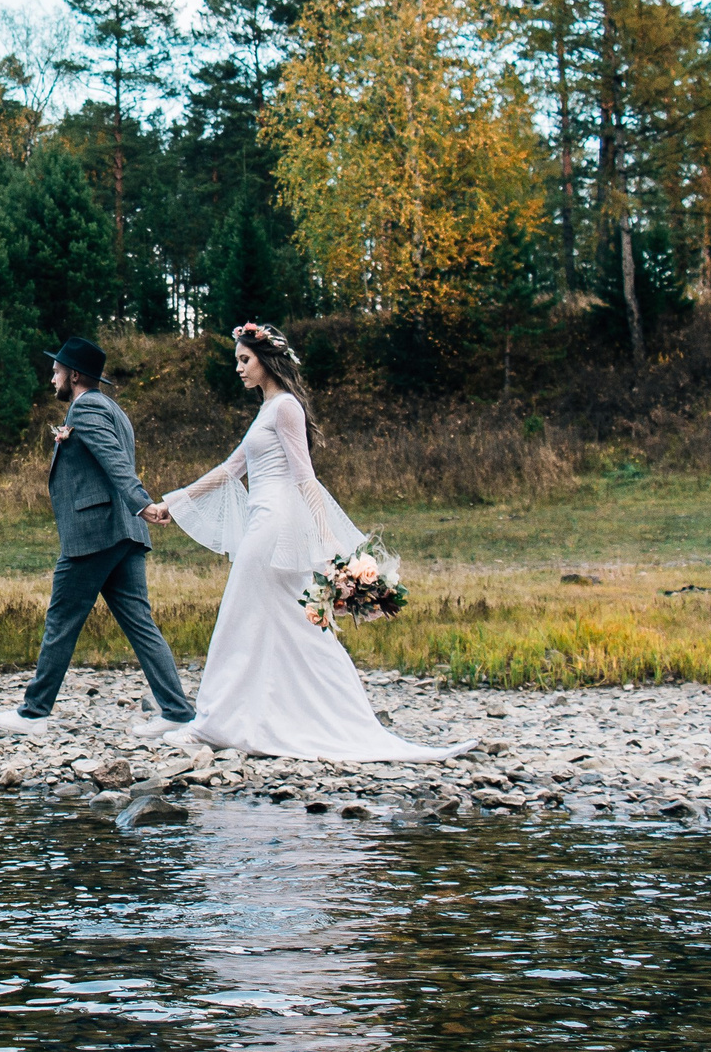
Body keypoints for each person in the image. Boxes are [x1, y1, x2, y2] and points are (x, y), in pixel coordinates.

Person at [139, 322, 472, 763]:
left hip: (275, 526)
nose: (238, 368)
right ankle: (241, 717)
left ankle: (229, 722)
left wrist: (331, 543)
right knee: (268, 621)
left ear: (267, 360)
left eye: (245, 359)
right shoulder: (267, 409)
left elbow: (305, 477)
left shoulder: (286, 408)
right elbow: (229, 470)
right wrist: (173, 503)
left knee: (254, 616)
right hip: (264, 521)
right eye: (237, 360)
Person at [0, 337, 199, 740]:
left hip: (97, 531)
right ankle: (177, 713)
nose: (52, 377)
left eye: (57, 370)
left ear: (75, 375)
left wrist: (143, 504)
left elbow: (115, 461)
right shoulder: (113, 409)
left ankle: (33, 713)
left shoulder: (89, 407)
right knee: (139, 622)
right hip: (122, 533)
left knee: (62, 618)